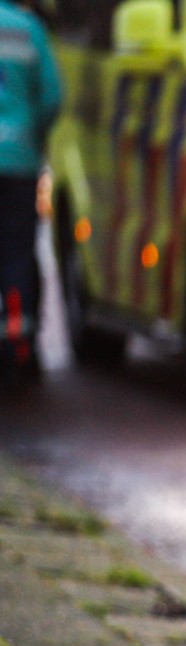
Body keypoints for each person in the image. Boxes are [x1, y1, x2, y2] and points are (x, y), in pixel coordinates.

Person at [0, 0, 60, 382]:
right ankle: (18, 348)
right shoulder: (28, 28)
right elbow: (53, 97)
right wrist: (34, 136)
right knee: (17, 254)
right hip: (19, 162)